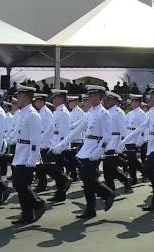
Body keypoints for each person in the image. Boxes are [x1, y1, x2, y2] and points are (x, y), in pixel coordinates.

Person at [55, 85, 116, 218]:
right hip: (86, 148)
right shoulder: (90, 113)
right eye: (89, 95)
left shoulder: (103, 113)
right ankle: (90, 209)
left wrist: (98, 152)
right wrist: (63, 143)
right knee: (87, 181)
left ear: (100, 97)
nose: (90, 98)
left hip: (94, 149)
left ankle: (107, 193)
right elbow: (77, 130)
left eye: (93, 95)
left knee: (88, 178)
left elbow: (107, 136)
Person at [117, 84, 154, 211]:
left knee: (147, 169)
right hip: (152, 144)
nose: (151, 97)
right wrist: (125, 140)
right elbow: (141, 128)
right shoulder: (152, 111)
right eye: (151, 94)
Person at [10, 84, 46, 225]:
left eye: (18, 96)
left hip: (27, 155)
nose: (17, 98)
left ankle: (38, 204)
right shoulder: (22, 114)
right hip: (20, 152)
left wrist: (32, 159)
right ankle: (27, 215)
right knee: (20, 185)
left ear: (25, 96)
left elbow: (36, 139)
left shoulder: (32, 115)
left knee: (19, 184)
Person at [43, 89, 73, 202]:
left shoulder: (64, 112)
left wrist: (60, 147)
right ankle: (60, 193)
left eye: (55, 98)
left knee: (48, 166)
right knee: (56, 168)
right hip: (54, 144)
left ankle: (65, 180)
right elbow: (51, 129)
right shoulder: (57, 112)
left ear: (60, 99)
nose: (53, 100)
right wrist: (43, 141)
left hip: (60, 146)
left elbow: (65, 132)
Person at [122, 94, 146, 185]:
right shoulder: (129, 113)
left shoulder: (141, 113)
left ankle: (137, 175)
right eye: (131, 101)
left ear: (138, 102)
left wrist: (140, 140)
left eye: (133, 101)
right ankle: (138, 174)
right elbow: (126, 127)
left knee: (132, 159)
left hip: (135, 138)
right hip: (129, 137)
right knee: (131, 159)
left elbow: (143, 128)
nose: (132, 103)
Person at [33, 93, 54, 193]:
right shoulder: (40, 112)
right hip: (40, 142)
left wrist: (44, 142)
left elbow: (49, 130)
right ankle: (42, 185)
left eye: (37, 101)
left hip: (45, 143)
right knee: (40, 166)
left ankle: (61, 179)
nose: (35, 103)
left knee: (46, 166)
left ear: (41, 101)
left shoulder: (47, 113)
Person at [65, 95, 85, 182]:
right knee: (71, 159)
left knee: (77, 159)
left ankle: (83, 173)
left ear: (75, 102)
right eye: (68, 102)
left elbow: (80, 125)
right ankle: (74, 176)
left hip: (79, 139)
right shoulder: (71, 112)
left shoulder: (80, 112)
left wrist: (69, 127)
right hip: (72, 139)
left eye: (70, 102)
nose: (69, 104)